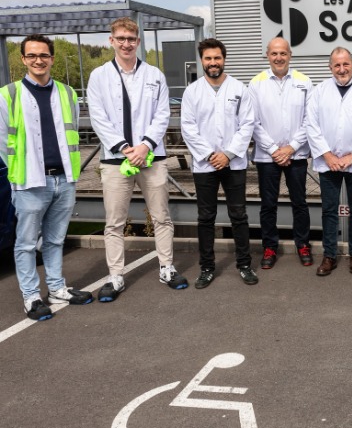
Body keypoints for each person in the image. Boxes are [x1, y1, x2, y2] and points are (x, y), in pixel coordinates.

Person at [87, 17, 187, 302]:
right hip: (115, 159)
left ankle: (166, 267)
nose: (126, 44)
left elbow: (162, 114)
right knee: (114, 222)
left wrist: (144, 146)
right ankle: (115, 275)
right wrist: (124, 147)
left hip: (151, 158)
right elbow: (98, 117)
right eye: (120, 38)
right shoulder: (99, 76)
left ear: (138, 41)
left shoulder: (154, 75)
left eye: (131, 39)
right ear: (112, 41)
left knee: (161, 217)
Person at [0, 34, 93, 320]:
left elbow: (73, 131)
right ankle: (31, 297)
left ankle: (56, 288)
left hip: (63, 179)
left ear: (52, 58)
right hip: (29, 183)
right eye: (32, 56)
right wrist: (19, 172)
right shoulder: (9, 94)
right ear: (23, 59)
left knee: (55, 240)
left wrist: (69, 174)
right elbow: (3, 141)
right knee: (26, 243)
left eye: (43, 55)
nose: (38, 60)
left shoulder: (67, 93)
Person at [181, 38, 257, 289]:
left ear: (224, 59)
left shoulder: (239, 88)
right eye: (208, 58)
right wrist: (209, 154)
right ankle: (206, 268)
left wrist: (229, 153)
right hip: (205, 165)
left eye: (217, 58)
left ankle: (244, 265)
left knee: (239, 215)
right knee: (206, 217)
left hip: (233, 164)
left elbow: (247, 125)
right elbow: (188, 128)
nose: (213, 63)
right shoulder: (192, 92)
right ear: (201, 60)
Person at [306, 47, 352, 276]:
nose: (342, 69)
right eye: (337, 65)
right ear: (330, 67)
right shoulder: (319, 91)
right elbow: (311, 124)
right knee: (329, 210)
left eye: (345, 64)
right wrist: (327, 155)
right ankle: (329, 255)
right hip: (328, 162)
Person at [249, 37, 313, 270]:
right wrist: (275, 150)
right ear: (267, 55)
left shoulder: (304, 82)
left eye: (283, 53)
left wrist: (292, 147)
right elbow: (253, 122)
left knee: (300, 203)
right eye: (274, 53)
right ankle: (269, 247)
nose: (278, 58)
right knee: (268, 204)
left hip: (296, 154)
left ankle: (303, 244)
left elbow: (310, 119)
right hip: (267, 157)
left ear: (290, 55)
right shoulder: (256, 83)